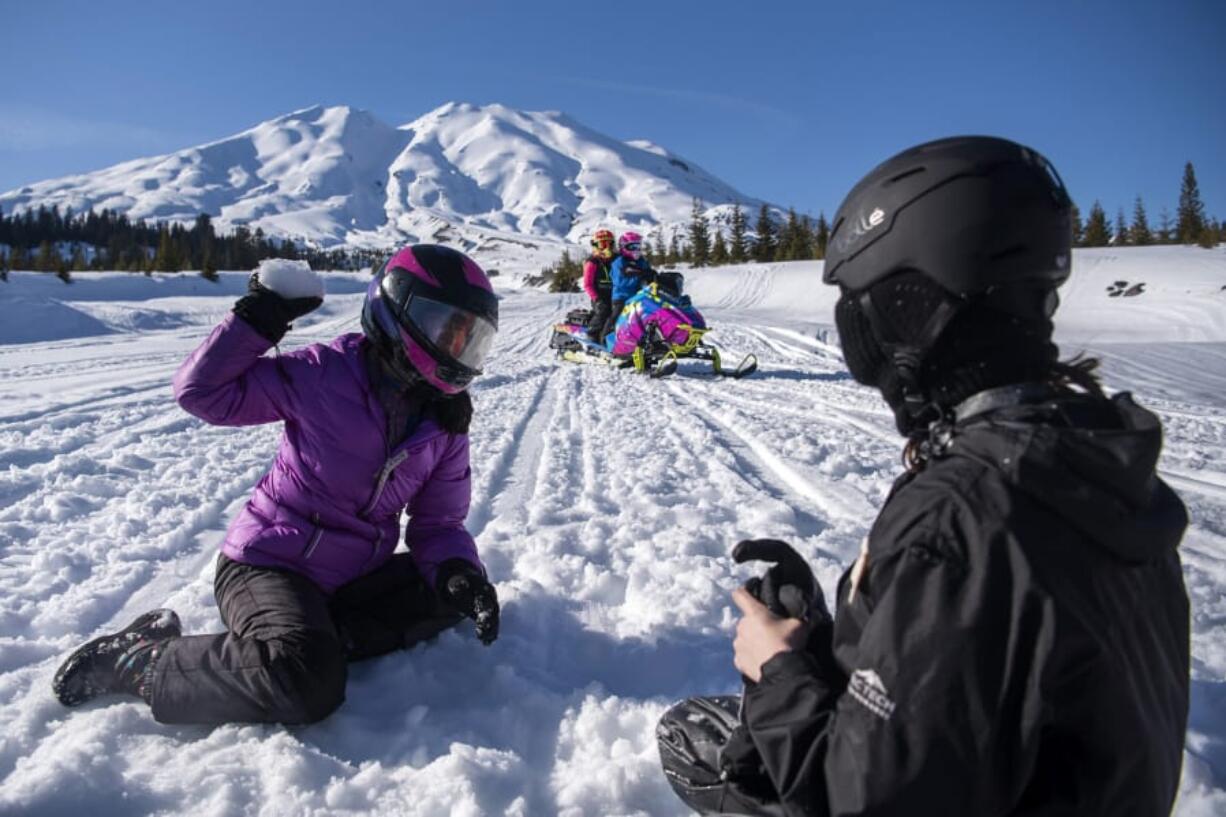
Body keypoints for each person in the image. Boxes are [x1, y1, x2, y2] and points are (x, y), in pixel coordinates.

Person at [656, 136, 1191, 816]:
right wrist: (832, 634)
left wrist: (778, 671)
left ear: (907, 305)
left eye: (859, 304)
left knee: (692, 740)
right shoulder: (1100, 468)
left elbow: (868, 801)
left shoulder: (962, 515)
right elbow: (977, 687)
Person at [52, 245, 503, 726]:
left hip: (349, 576)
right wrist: (258, 318)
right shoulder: (324, 374)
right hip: (269, 566)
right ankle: (141, 659)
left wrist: (459, 572)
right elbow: (203, 393)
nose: (455, 349)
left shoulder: (443, 421)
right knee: (306, 681)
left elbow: (439, 523)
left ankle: (318, 634)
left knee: (446, 592)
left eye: (467, 338)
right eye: (445, 328)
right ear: (397, 312)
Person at [601, 231, 654, 347]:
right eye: (633, 247)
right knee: (617, 316)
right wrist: (639, 276)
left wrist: (653, 276)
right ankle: (605, 338)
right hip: (622, 297)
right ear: (624, 247)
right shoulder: (619, 262)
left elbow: (648, 273)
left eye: (638, 246)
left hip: (639, 296)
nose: (636, 250)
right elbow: (620, 282)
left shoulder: (641, 261)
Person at [583, 228, 617, 342]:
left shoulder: (616, 260)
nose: (606, 248)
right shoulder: (592, 262)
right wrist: (597, 299)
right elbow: (587, 284)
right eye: (602, 244)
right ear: (596, 246)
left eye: (609, 244)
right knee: (604, 310)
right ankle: (591, 334)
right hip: (600, 296)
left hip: (614, 295)